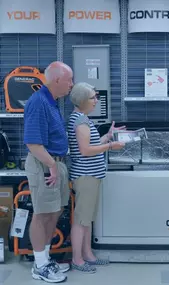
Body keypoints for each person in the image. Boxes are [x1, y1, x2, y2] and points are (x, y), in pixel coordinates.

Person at [24, 61, 74, 282]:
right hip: (43, 163)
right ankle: (40, 264)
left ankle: (44, 258)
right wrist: (52, 166)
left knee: (54, 211)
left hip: (56, 162)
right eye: (69, 80)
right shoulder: (38, 102)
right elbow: (33, 144)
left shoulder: (51, 101)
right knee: (42, 213)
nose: (72, 84)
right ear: (57, 80)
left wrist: (57, 165)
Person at [67, 82, 125, 273]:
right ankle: (77, 259)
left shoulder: (82, 119)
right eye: (92, 97)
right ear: (82, 100)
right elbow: (85, 151)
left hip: (91, 176)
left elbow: (90, 145)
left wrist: (107, 137)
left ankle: (88, 255)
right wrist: (110, 147)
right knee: (82, 220)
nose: (96, 101)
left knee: (88, 219)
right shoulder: (80, 121)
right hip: (86, 176)